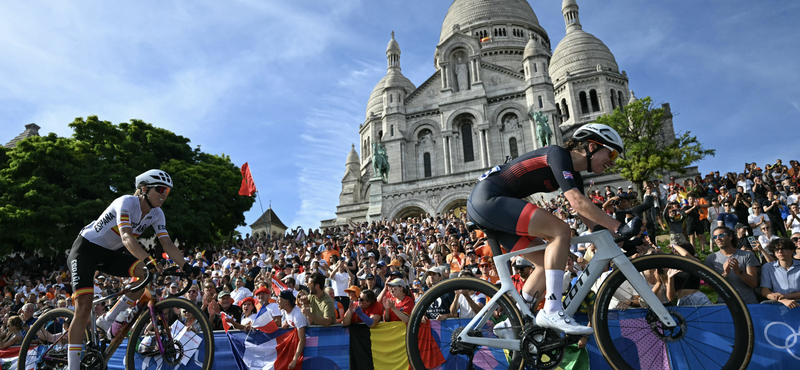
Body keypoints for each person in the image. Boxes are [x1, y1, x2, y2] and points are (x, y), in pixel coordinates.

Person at [467, 124, 633, 335]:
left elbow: (587, 217)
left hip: (490, 206)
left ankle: (514, 322)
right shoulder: (558, 154)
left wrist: (616, 237)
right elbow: (576, 202)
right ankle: (552, 309)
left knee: (547, 261)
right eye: (612, 153)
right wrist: (621, 226)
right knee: (561, 230)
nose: (614, 160)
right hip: (488, 200)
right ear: (592, 146)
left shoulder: (575, 176)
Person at [68, 170, 189, 370]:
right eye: (160, 189)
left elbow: (166, 243)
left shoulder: (157, 213)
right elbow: (126, 237)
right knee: (82, 310)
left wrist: (187, 266)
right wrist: (148, 259)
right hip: (85, 250)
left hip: (108, 254)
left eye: (167, 191)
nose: (164, 194)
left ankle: (107, 320)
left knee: (144, 274)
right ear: (143, 189)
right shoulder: (126, 202)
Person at [704, 227, 760, 304]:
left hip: (747, 302)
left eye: (721, 235)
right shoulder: (711, 259)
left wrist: (738, 270)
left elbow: (753, 283)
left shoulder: (747, 255)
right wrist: (724, 274)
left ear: (730, 237)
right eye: (714, 237)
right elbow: (711, 287)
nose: (717, 239)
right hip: (724, 304)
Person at [759, 238, 800, 309]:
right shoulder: (767, 267)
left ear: (792, 250)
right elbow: (765, 291)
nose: (780, 252)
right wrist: (782, 300)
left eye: (783, 248)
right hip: (778, 306)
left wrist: (787, 296)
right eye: (776, 250)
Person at [278, 290, 306, 370]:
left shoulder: (298, 315)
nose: (277, 302)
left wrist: (294, 360)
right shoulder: (285, 311)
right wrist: (285, 322)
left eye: (279, 300)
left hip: (308, 346)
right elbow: (290, 317)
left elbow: (302, 340)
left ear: (286, 302)